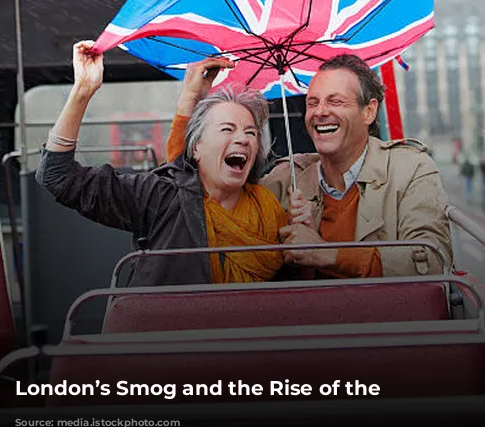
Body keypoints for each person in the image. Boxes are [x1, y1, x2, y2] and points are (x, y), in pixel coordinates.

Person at [166, 54, 453, 278]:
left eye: (335, 101)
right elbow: (200, 203)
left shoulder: (411, 169)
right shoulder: (284, 178)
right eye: (312, 102)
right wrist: (189, 103)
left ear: (369, 111)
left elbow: (432, 259)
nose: (320, 112)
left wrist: (325, 254)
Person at [35, 41, 289, 287]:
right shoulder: (159, 195)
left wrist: (302, 240)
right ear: (196, 147)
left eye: (251, 132)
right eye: (227, 129)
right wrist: (82, 91)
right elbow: (58, 177)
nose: (242, 139)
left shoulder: (269, 208)